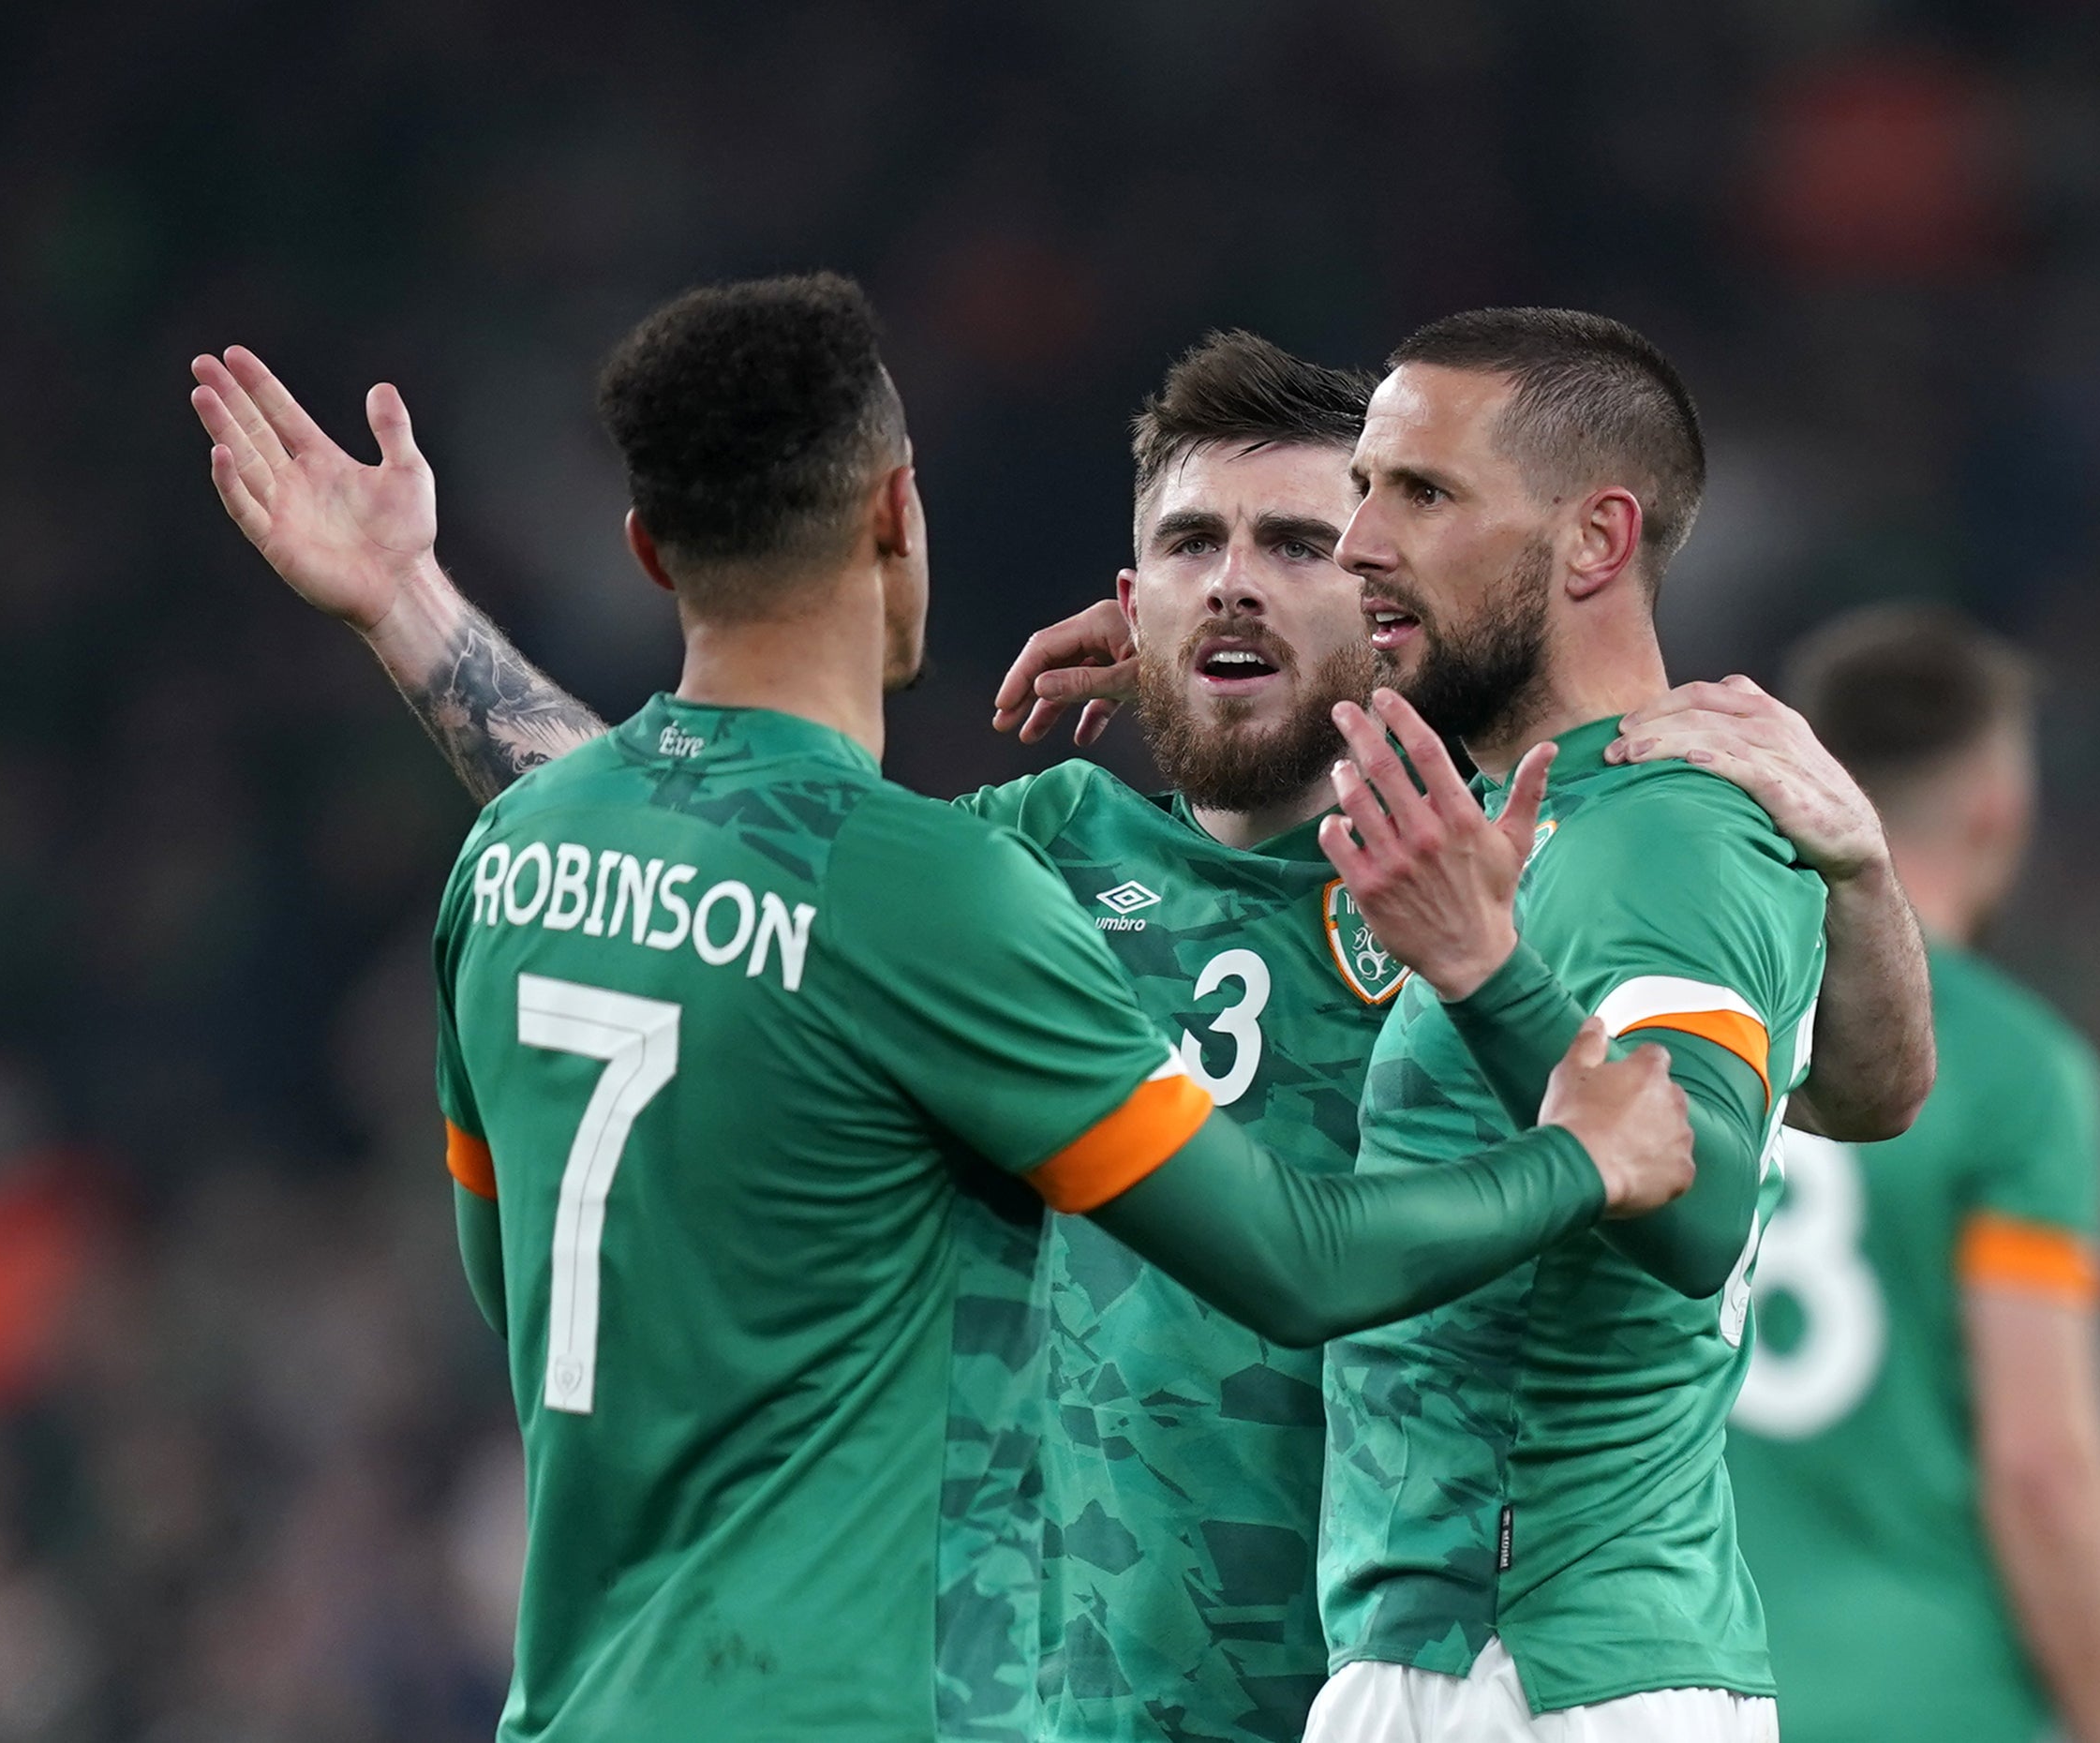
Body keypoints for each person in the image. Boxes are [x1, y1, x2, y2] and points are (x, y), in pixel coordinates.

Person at [200, 308, 1936, 1743]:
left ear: (1382, 610)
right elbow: (709, 858)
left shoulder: (1483, 868)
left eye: (1307, 547)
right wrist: (416, 617)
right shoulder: (1019, 872)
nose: (1239, 585)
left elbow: (1822, 1099)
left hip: (1404, 1684)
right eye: (1193, 548)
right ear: (1127, 588)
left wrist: (1849, 880)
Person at [1276, 307, 1908, 1742]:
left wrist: (1481, 973)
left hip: (1535, 1663)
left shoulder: (1652, 843)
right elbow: (1868, 1095)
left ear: (1593, 544)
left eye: (1420, 495)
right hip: (1482, 1647)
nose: (1357, 539)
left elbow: (1689, 1214)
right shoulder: (1560, 817)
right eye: (1363, 487)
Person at [1658, 607, 2100, 1743]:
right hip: (1930, 1695)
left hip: (1679, 1677)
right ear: (1999, 804)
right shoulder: (2018, 1073)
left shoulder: (1684, 1007)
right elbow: (2042, 1468)